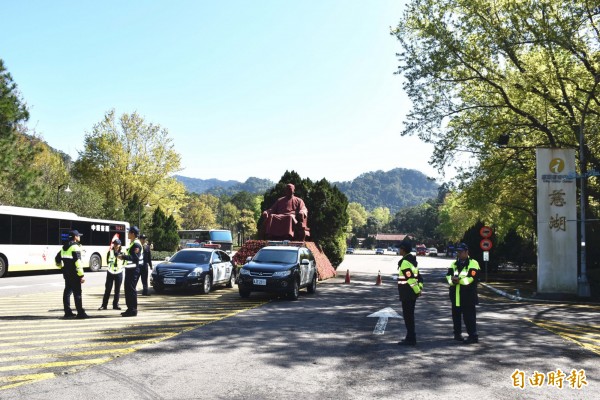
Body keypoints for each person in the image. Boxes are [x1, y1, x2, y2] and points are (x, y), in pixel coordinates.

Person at [446, 242, 481, 344]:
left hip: (468, 296)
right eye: (458, 252)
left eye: (461, 252)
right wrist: (451, 280)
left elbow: (471, 278)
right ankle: (457, 334)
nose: (459, 254)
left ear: (466, 252)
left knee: (469, 317)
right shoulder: (454, 264)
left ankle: (473, 336)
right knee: (456, 317)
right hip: (455, 295)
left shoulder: (473, 263)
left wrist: (459, 281)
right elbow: (448, 276)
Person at [55, 230, 88, 319]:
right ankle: (80, 313)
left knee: (67, 293)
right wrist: (81, 275)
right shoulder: (75, 247)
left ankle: (67, 312)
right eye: (79, 236)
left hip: (67, 275)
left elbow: (57, 259)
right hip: (75, 275)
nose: (79, 237)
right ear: (75, 237)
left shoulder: (64, 248)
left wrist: (61, 267)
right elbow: (78, 262)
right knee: (77, 294)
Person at [396, 239, 422, 346]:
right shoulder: (413, 261)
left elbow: (410, 279)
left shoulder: (405, 263)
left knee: (408, 317)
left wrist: (417, 290)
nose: (399, 250)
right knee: (409, 316)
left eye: (400, 248)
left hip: (407, 293)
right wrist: (419, 288)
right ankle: (409, 336)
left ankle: (411, 339)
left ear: (404, 250)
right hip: (411, 293)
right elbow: (420, 278)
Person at [118, 226, 143, 317]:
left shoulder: (136, 244)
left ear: (132, 234)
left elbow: (135, 258)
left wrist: (123, 257)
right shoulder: (132, 243)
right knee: (128, 290)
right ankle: (129, 309)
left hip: (133, 270)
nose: (127, 234)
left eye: (129, 232)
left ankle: (133, 310)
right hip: (129, 270)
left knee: (131, 290)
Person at [98, 238, 124, 310]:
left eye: (117, 244)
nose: (116, 245)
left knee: (117, 290)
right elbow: (107, 261)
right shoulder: (110, 252)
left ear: (120, 245)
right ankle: (104, 305)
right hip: (110, 272)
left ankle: (115, 305)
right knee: (108, 289)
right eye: (115, 244)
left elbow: (124, 262)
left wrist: (121, 267)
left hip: (119, 272)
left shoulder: (122, 252)